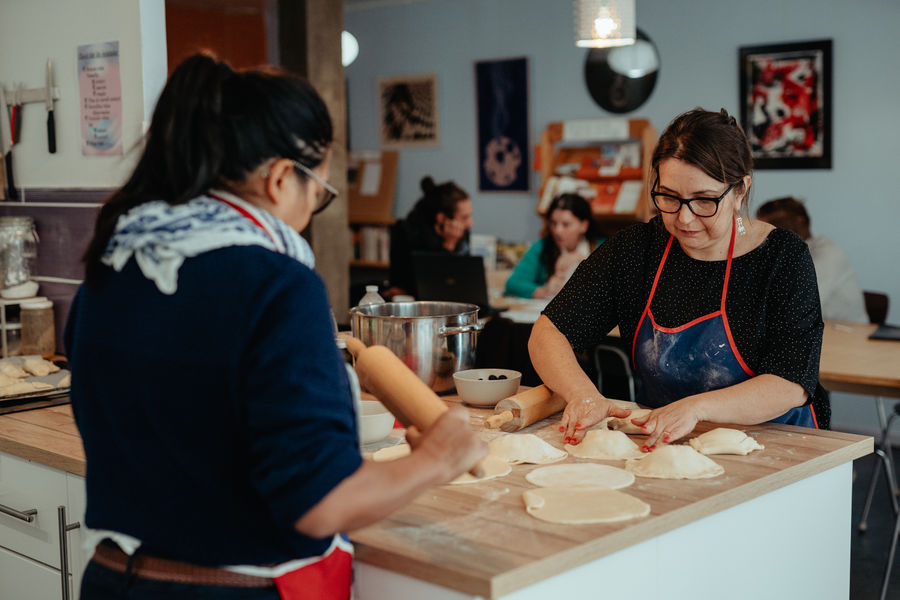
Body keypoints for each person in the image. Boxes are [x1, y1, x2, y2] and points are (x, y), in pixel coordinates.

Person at [65, 53, 485, 600]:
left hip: (109, 580)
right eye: (320, 194)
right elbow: (323, 501)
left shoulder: (112, 265)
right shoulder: (277, 285)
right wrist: (436, 459)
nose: (311, 213)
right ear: (282, 177)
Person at [528, 108, 829, 451]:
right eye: (669, 197)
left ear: (740, 191)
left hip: (777, 445)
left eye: (704, 201)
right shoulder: (636, 249)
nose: (684, 218)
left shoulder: (782, 257)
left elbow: (790, 383)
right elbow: (549, 333)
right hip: (666, 443)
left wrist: (697, 409)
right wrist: (583, 394)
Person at [756, 196, 868, 323]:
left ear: (801, 222)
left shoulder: (826, 255)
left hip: (852, 331)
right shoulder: (788, 256)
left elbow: (798, 307)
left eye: (777, 226)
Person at [386, 176, 473, 298]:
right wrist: (448, 246)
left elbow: (463, 283)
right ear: (441, 218)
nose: (470, 223)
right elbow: (432, 286)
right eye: (464, 217)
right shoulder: (407, 232)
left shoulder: (463, 233)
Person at [504, 193, 604, 299]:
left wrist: (585, 260)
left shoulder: (602, 247)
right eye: (554, 223)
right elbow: (513, 284)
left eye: (566, 224)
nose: (557, 231)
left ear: (584, 226)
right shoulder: (541, 247)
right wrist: (545, 291)